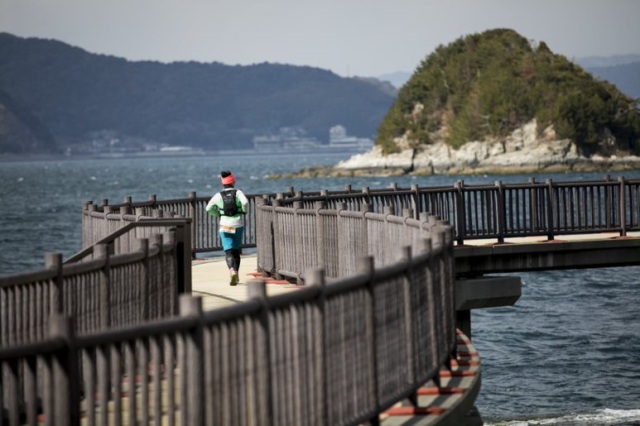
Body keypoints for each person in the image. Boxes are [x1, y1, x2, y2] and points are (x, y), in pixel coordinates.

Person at [206, 171, 249, 286]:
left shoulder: (218, 195)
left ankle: (232, 271)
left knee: (228, 251)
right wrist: (245, 211)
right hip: (237, 225)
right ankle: (237, 274)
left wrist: (217, 214)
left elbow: (208, 208)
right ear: (233, 181)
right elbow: (245, 202)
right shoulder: (238, 192)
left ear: (223, 183)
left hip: (224, 225)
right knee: (236, 251)